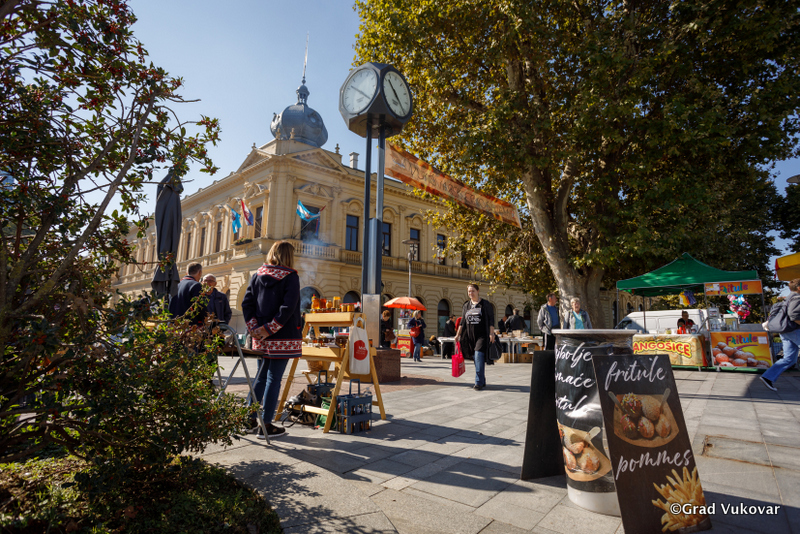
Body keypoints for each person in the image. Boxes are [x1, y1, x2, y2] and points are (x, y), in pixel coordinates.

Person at [241, 240, 301, 438]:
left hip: (261, 337)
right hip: (282, 337)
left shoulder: (257, 275)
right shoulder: (290, 276)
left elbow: (247, 304)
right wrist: (270, 329)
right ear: (289, 256)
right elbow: (288, 307)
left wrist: (255, 329)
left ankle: (249, 419)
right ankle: (266, 425)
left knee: (260, 377)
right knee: (274, 379)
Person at [760, 278, 800, 392]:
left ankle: (768, 377)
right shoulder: (797, 298)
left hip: (785, 331)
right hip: (793, 330)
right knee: (789, 358)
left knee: (789, 359)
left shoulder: (788, 298)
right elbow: (794, 315)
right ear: (799, 288)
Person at [455, 283, 495, 390]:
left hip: (482, 336)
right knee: (476, 359)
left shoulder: (485, 304)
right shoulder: (466, 306)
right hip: (469, 337)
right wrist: (457, 334)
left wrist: (491, 333)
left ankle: (478, 382)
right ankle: (482, 379)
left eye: (473, 291)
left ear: (478, 291)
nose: (471, 293)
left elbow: (491, 319)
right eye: (469, 291)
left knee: (478, 356)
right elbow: (462, 322)